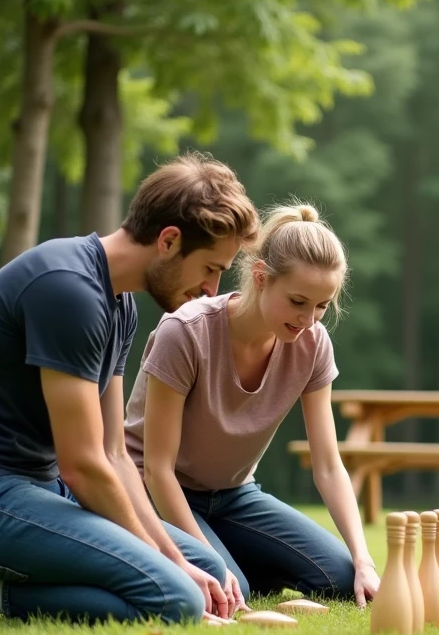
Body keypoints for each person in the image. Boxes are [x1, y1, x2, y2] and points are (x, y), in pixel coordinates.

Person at [0, 152, 261, 626]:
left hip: (38, 490)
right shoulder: (69, 290)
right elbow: (83, 466)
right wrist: (170, 565)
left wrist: (174, 556)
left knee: (206, 565)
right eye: (210, 267)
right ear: (168, 241)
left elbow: (115, 454)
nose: (212, 288)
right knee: (177, 598)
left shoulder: (120, 303)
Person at [123, 204, 380, 608]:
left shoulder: (313, 345)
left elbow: (329, 466)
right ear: (260, 277)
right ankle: (223, 560)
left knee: (343, 579)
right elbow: (157, 469)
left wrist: (364, 560)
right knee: (231, 588)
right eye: (298, 301)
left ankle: (236, 556)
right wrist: (212, 564)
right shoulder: (185, 333)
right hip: (155, 491)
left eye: (321, 306)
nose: (309, 320)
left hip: (235, 495)